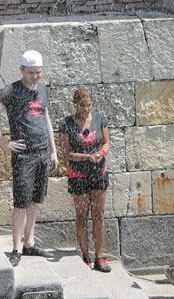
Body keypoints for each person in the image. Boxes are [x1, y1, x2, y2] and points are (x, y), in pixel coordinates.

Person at [0, 50, 58, 266]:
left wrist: (53, 150)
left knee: (35, 201)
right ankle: (16, 247)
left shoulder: (43, 89)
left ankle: (29, 243)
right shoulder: (12, 91)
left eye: (38, 72)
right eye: (31, 73)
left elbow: (46, 119)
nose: (35, 76)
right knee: (21, 202)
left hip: (43, 152)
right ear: (21, 70)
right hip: (24, 155)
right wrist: (3, 142)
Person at [58, 87, 111, 272]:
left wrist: (100, 153)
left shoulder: (99, 119)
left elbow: (106, 142)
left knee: (99, 215)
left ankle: (100, 256)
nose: (86, 109)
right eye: (82, 105)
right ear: (75, 104)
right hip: (78, 174)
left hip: (99, 172)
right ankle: (85, 255)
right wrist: (86, 157)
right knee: (82, 215)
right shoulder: (67, 124)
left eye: (89, 105)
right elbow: (66, 152)